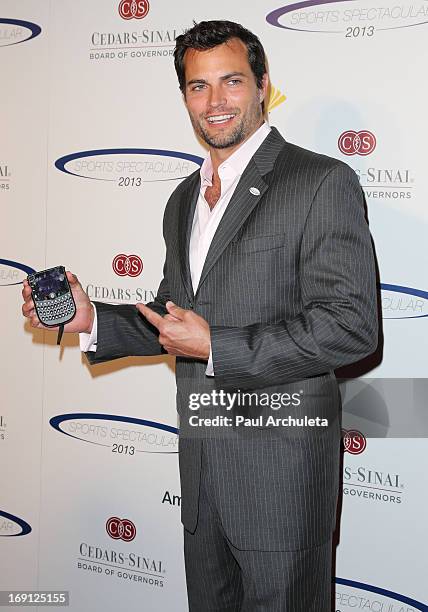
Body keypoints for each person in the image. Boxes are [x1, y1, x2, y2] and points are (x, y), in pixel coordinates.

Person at [22, 20, 378, 611]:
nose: (215, 102)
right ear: (184, 95)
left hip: (280, 483)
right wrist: (92, 322)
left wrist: (219, 346)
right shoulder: (183, 198)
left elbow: (351, 325)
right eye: (197, 86)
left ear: (263, 84)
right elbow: (174, 317)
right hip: (203, 473)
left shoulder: (319, 181)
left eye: (231, 82)